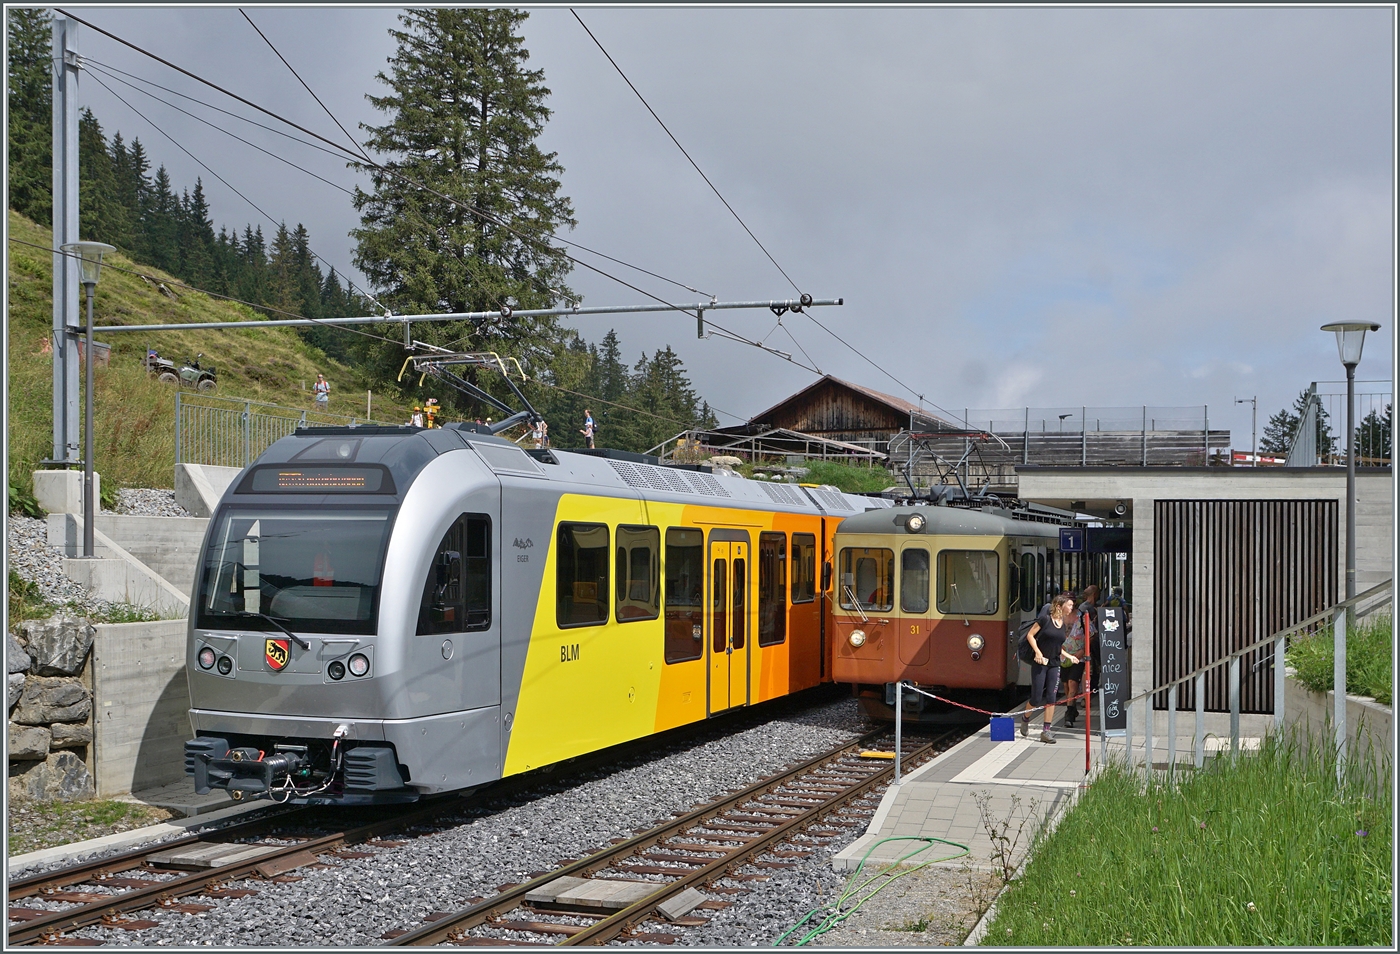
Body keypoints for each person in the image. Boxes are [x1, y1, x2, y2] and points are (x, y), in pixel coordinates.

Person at [1020, 592, 1080, 743]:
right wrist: (1038, 652)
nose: (1072, 607)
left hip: (1054, 664)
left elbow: (1057, 647)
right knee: (1036, 698)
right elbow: (1030, 635)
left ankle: (1046, 731)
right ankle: (1025, 718)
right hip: (1040, 663)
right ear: (1060, 606)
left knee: (1052, 697)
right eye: (1069, 605)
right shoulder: (1045, 619)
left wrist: (1069, 656)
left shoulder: (1062, 623)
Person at [1062, 585, 1100, 727]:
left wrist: (1083, 650)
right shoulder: (1058, 617)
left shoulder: (1081, 616)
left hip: (1078, 656)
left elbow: (1092, 634)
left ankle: (1068, 716)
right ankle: (1072, 709)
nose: (1069, 605)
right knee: (1066, 685)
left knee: (1072, 683)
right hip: (1062, 657)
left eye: (1071, 602)